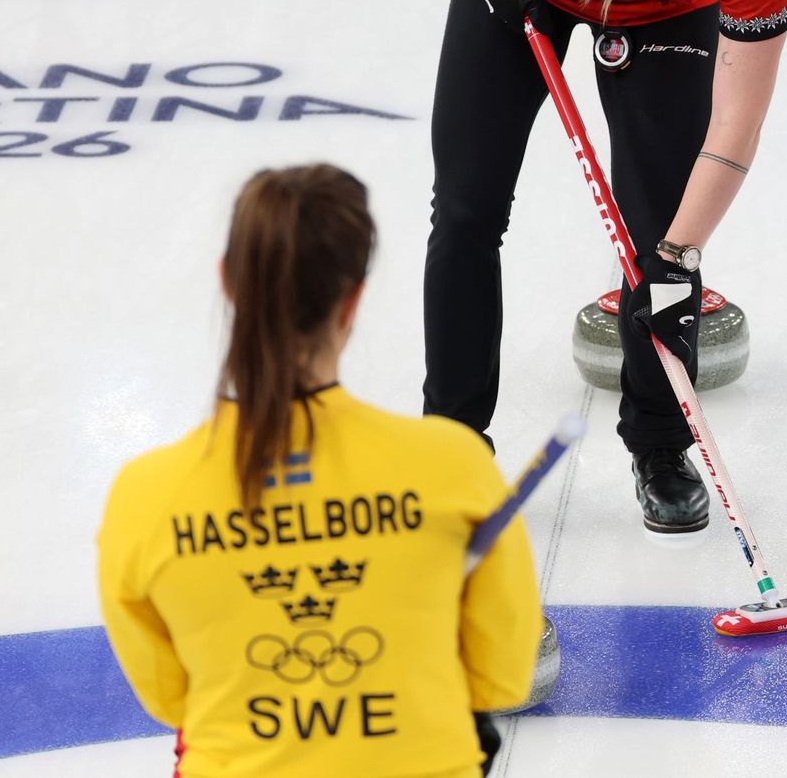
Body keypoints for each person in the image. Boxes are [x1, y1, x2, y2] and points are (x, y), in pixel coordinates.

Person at [429, 0, 787, 534]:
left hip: (666, 16)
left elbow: (737, 127)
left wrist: (681, 251)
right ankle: (452, 446)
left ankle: (661, 443)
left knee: (663, 232)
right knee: (467, 207)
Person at [98, 165, 541, 777]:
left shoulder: (145, 498)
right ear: (353, 298)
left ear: (229, 283)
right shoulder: (452, 467)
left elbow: (171, 697)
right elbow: (501, 674)